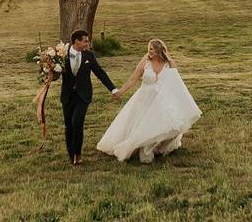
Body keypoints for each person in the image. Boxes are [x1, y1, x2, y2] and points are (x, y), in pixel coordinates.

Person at [96, 39, 201, 163]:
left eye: (151, 49)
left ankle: (158, 146)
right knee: (143, 124)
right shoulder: (146, 61)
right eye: (148, 49)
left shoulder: (169, 63)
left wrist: (180, 101)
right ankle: (144, 149)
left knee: (164, 124)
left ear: (158, 49)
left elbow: (177, 84)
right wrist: (120, 91)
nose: (149, 51)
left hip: (162, 99)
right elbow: (133, 79)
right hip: (144, 98)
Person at [60, 29, 119, 166]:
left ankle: (78, 153)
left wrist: (113, 89)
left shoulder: (89, 56)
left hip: (83, 96)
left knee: (77, 123)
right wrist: (51, 71)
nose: (88, 43)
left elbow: (100, 73)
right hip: (67, 96)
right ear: (76, 41)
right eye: (85, 41)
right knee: (69, 126)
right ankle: (71, 154)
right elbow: (56, 74)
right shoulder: (62, 55)